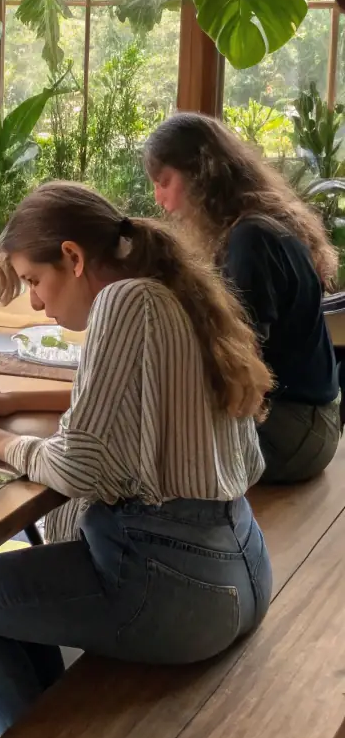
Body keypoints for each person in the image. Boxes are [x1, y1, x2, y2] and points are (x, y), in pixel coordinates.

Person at [0, 182, 273, 737]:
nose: (36, 301)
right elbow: (127, 396)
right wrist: (10, 402)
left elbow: (78, 469)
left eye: (36, 281)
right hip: (241, 564)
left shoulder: (124, 300)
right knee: (6, 587)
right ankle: (48, 726)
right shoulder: (169, 289)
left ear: (73, 256)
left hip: (179, 586)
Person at [144, 112, 341, 484]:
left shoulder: (252, 239)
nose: (160, 199)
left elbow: (239, 357)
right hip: (308, 421)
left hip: (296, 429)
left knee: (141, 444)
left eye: (164, 181)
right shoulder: (255, 227)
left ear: (201, 173)